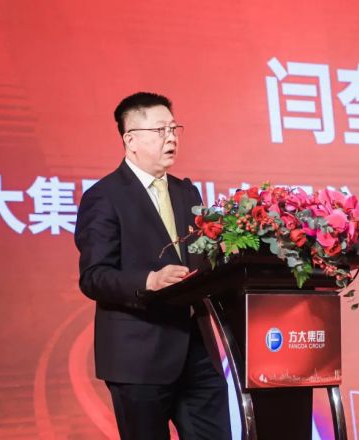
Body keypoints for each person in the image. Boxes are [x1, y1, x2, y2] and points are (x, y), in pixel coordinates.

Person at [74, 92, 231, 440]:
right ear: (130, 140)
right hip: (138, 356)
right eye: (161, 130)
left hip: (195, 351)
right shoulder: (104, 197)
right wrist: (149, 280)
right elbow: (94, 277)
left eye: (174, 129)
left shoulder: (187, 193)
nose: (171, 138)